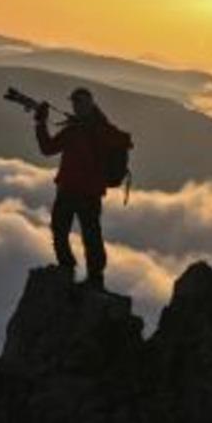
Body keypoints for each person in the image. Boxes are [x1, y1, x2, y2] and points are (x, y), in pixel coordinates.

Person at [33, 88, 127, 291]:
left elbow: (47, 148)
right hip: (81, 191)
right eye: (74, 102)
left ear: (90, 104)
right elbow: (48, 149)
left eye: (80, 102)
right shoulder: (91, 129)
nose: (76, 106)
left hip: (79, 191)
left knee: (76, 233)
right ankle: (85, 274)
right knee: (81, 233)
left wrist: (41, 123)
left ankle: (75, 271)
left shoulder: (89, 130)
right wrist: (41, 123)